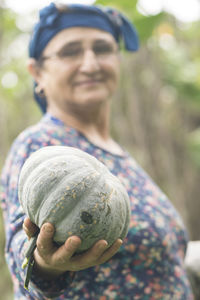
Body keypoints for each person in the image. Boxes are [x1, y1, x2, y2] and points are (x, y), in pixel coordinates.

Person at [0, 2, 194, 299]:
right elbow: (22, 254)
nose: (90, 64)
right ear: (37, 71)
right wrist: (45, 265)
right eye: (70, 52)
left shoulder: (120, 158)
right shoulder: (41, 143)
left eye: (102, 49)